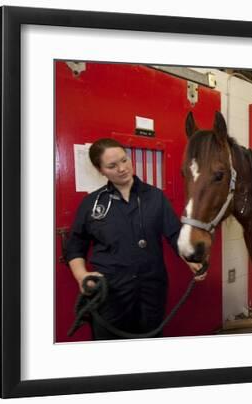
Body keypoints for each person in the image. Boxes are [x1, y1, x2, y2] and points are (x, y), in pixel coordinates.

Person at [65, 138, 204, 340]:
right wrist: (81, 275)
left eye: (124, 160)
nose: (122, 168)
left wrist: (191, 259)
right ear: (100, 170)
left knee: (149, 346)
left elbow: (175, 235)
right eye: (112, 166)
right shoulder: (92, 204)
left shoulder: (156, 197)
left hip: (151, 289)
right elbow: (75, 246)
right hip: (110, 292)